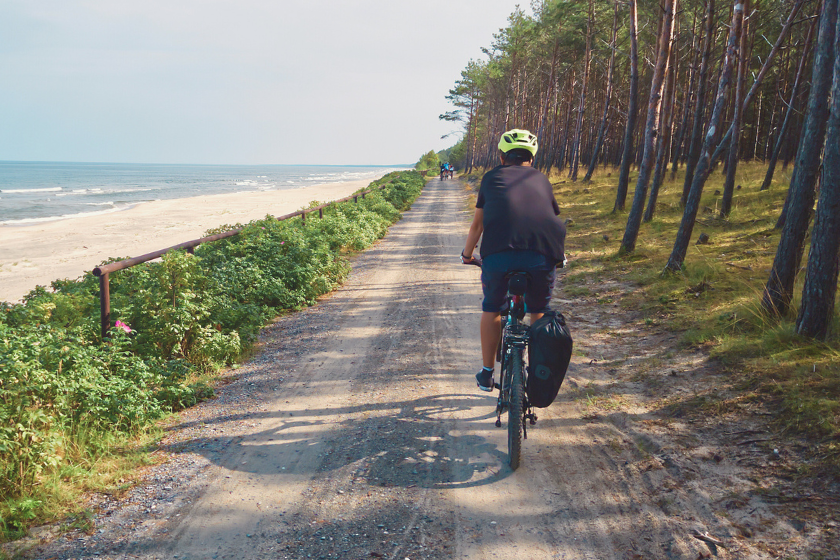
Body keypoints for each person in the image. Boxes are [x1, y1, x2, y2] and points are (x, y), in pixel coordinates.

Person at [460, 129, 566, 391]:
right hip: (542, 254)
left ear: (501, 156)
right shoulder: (542, 179)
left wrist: (467, 254)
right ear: (532, 156)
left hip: (499, 255)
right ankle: (535, 370)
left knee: (492, 307)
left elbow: (477, 225)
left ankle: (487, 373)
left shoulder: (491, 177)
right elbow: (548, 217)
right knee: (538, 309)